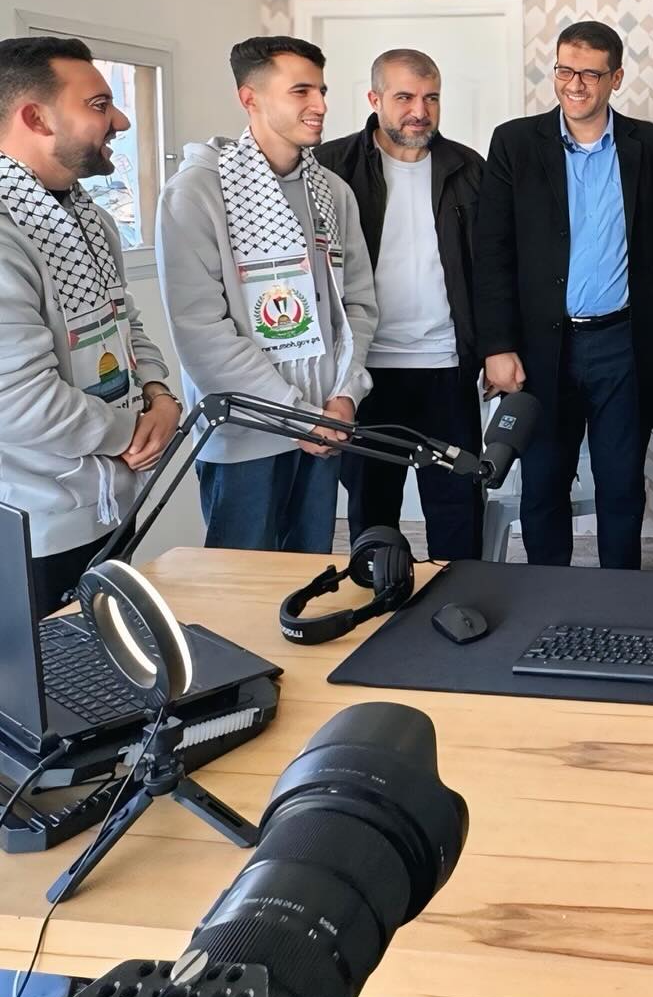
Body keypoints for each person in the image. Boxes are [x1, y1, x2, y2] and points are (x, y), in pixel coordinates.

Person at [476, 21, 653, 569]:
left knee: (621, 486)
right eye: (564, 70)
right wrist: (497, 345)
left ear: (615, 78)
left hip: (622, 343)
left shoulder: (651, 146)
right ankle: (548, 598)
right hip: (541, 348)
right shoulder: (514, 143)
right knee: (543, 483)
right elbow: (492, 251)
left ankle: (620, 598)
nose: (574, 85)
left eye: (590, 74)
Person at [156, 36, 377, 553]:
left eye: (321, 90)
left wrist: (345, 395)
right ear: (249, 98)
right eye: (301, 91)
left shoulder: (332, 191)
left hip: (324, 423)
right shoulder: (196, 193)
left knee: (310, 575)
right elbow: (202, 332)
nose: (320, 105)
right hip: (245, 435)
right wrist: (291, 414)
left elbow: (357, 306)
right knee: (240, 582)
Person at [0, 36, 180, 614]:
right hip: (37, 527)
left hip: (110, 504)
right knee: (50, 670)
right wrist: (130, 433)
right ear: (36, 118)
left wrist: (159, 393)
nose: (121, 121)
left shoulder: (88, 217)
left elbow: (123, 324)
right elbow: (18, 400)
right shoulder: (7, 234)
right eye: (99, 105)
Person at [315, 49, 486, 561]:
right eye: (405, 97)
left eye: (431, 98)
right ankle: (378, 598)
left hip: (446, 365)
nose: (420, 111)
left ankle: (460, 600)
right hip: (365, 370)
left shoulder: (467, 168)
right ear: (374, 99)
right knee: (372, 510)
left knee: (458, 507)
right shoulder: (331, 167)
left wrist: (497, 347)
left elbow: (494, 267)